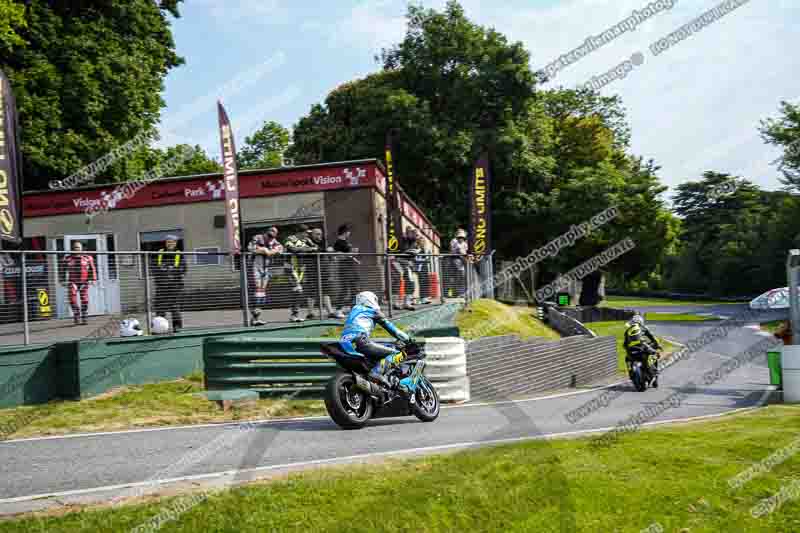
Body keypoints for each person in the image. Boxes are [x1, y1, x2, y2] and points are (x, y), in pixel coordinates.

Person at [339, 291, 414, 391]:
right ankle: (376, 373)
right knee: (398, 354)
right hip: (361, 340)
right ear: (369, 300)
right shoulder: (373, 311)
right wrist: (408, 339)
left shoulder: (354, 311)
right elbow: (393, 330)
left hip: (346, 343)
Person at [247, 226, 284, 326]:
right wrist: (264, 250)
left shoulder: (275, 241)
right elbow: (251, 248)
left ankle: (256, 317)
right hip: (255, 267)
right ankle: (253, 316)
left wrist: (268, 251)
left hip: (266, 269)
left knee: (262, 293)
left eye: (275, 232)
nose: (272, 233)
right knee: (257, 290)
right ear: (267, 232)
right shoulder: (258, 237)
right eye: (271, 231)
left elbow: (280, 249)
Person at [152, 235, 187, 333]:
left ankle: (177, 327)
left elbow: (184, 269)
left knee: (174, 306)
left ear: (175, 243)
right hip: (161, 285)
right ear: (165, 243)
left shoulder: (179, 254)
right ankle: (159, 328)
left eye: (172, 242)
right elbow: (154, 268)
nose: (170, 244)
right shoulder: (159, 253)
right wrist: (163, 271)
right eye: (168, 242)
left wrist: (172, 270)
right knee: (160, 307)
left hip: (175, 286)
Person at [62, 241, 97, 325]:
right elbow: (62, 270)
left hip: (84, 281)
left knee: (84, 299)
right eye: (75, 247)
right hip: (72, 281)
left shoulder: (88, 258)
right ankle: (76, 315)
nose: (76, 249)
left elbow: (93, 269)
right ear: (72, 249)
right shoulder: (67, 258)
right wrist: (62, 280)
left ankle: (84, 316)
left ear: (81, 248)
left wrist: (93, 279)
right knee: (72, 299)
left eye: (78, 247)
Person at [623, 314, 662, 387]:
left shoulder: (627, 331)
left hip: (631, 352)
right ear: (640, 322)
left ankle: (631, 374)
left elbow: (624, 344)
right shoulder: (643, 327)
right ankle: (654, 373)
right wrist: (658, 345)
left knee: (627, 359)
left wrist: (628, 347)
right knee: (654, 354)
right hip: (642, 349)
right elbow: (652, 337)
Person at [332, 223, 360, 319]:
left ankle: (353, 308)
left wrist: (355, 259)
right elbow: (338, 256)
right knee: (344, 289)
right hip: (344, 268)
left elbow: (350, 255)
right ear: (345, 232)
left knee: (354, 288)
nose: (349, 233)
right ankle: (338, 309)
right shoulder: (338, 242)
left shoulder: (346, 242)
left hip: (351, 268)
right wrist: (351, 253)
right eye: (348, 231)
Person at [448, 228, 470, 298]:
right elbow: (455, 251)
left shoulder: (465, 243)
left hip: (462, 261)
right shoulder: (454, 241)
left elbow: (465, 252)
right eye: (459, 237)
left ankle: (460, 293)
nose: (461, 238)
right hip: (455, 260)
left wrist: (466, 257)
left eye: (462, 237)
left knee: (461, 277)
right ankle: (452, 293)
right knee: (453, 278)